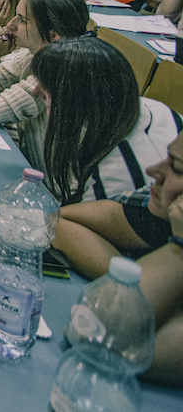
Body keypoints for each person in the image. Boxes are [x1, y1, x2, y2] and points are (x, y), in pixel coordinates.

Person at [49, 134, 183, 386]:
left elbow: (97, 337)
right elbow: (55, 222)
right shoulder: (163, 214)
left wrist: (179, 248)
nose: (153, 170)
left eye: (176, 167)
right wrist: (127, 279)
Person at [29, 37, 177, 205]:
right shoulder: (139, 105)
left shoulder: (115, 178)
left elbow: (74, 223)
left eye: (47, 85)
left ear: (79, 99)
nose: (36, 91)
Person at [0, 0, 90, 169]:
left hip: (49, 185)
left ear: (53, 35)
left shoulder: (58, 71)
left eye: (22, 20)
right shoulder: (31, 54)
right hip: (27, 161)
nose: (11, 24)